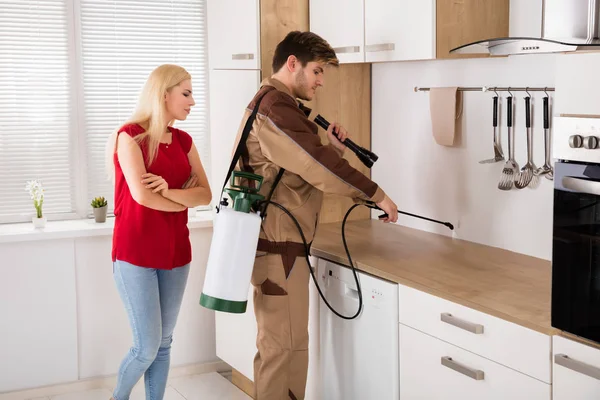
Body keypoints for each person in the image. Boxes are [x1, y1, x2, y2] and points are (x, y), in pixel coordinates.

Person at [228, 31, 398, 399]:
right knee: (281, 351)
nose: (320, 81)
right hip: (279, 250)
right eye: (317, 71)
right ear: (293, 64)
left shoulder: (274, 104)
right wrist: (376, 194)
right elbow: (315, 165)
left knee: (290, 348)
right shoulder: (276, 107)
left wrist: (331, 147)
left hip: (281, 247)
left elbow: (296, 166)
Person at [105, 64, 211, 400]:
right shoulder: (130, 136)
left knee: (163, 344)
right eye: (186, 93)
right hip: (135, 253)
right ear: (163, 94)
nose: (192, 101)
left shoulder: (183, 140)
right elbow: (141, 195)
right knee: (146, 347)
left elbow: (205, 194)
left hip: (176, 253)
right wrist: (181, 200)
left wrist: (168, 192)